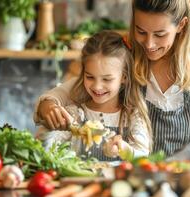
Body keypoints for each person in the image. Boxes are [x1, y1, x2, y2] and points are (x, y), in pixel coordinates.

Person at [34, 0, 190, 163]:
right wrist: (48, 106)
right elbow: (60, 95)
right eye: (141, 31)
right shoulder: (124, 58)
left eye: (160, 34)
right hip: (132, 180)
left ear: (181, 25)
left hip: (182, 178)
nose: (149, 44)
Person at [36, 30, 152, 161]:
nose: (97, 86)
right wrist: (50, 129)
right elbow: (47, 144)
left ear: (123, 77)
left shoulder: (132, 115)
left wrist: (125, 150)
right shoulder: (77, 114)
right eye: (90, 77)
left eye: (107, 79)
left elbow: (142, 155)